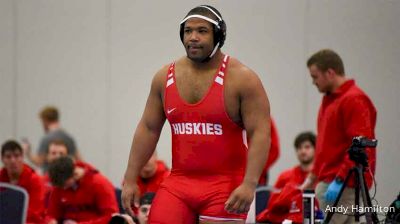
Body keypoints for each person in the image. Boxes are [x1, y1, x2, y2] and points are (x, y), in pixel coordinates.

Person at [121, 5, 271, 224]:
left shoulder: (242, 79)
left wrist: (249, 184)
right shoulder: (164, 77)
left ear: (219, 36)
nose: (193, 37)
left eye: (202, 31)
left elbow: (260, 134)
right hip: (179, 183)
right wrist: (130, 177)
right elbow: (148, 128)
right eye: (188, 31)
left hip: (226, 185)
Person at [301, 49, 377, 223]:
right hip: (332, 180)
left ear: (330, 73)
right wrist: (313, 175)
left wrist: (341, 178)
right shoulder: (330, 100)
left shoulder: (354, 100)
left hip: (343, 183)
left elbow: (359, 146)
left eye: (315, 77)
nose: (313, 82)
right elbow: (323, 144)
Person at [257, 131, 316, 223]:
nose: (303, 151)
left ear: (315, 149)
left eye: (307, 147)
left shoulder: (323, 177)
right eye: (299, 148)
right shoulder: (285, 176)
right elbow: (273, 204)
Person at [46, 156, 118, 224]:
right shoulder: (59, 185)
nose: (63, 188)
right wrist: (51, 220)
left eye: (64, 184)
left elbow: (112, 216)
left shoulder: (100, 184)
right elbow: (51, 213)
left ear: (75, 174)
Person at [22, 106, 81, 171]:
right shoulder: (69, 138)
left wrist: (28, 153)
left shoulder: (47, 139)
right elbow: (79, 160)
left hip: (50, 177)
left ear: (45, 121)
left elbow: (39, 161)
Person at [0, 140, 46, 223]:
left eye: (17, 156)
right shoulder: (0, 178)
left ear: (22, 157)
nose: (13, 161)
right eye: (8, 157)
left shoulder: (34, 180)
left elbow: (35, 213)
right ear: (2, 159)